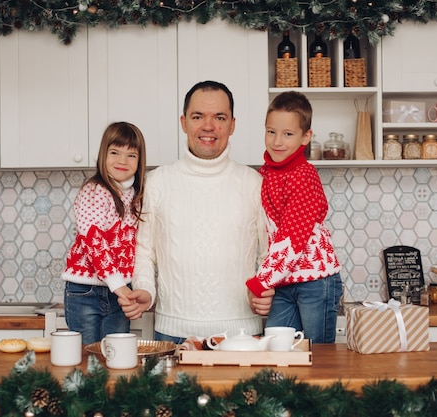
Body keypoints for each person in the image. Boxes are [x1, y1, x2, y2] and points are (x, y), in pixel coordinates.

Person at [120, 80, 274, 344]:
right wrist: (145, 289)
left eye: (220, 117)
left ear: (232, 124)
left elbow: (269, 253)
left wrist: (265, 289)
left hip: (241, 336)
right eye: (198, 116)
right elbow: (144, 251)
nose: (208, 126)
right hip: (172, 334)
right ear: (183, 122)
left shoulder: (256, 183)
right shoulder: (157, 182)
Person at [245, 91, 342, 343]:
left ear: (305, 137)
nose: (277, 141)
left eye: (288, 134)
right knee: (277, 350)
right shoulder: (268, 174)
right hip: (284, 282)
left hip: (316, 282)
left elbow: (292, 237)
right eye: (271, 131)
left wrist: (261, 280)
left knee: (318, 356)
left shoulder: (303, 175)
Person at [61, 121, 147, 345]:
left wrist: (128, 287)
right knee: (87, 359)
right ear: (103, 155)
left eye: (131, 155)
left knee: (117, 356)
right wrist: (119, 285)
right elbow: (94, 241)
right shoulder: (94, 191)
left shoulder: (136, 195)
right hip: (85, 291)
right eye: (115, 152)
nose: (122, 160)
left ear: (139, 162)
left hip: (120, 291)